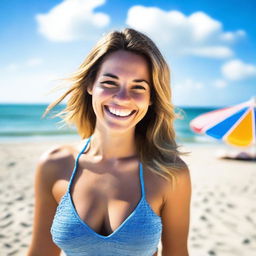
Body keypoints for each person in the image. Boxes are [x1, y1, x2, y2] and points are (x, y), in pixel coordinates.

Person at [26, 28, 192, 256]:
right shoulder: (54, 165)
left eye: (138, 87)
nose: (123, 98)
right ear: (90, 84)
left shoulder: (170, 173)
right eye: (110, 82)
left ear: (152, 97)